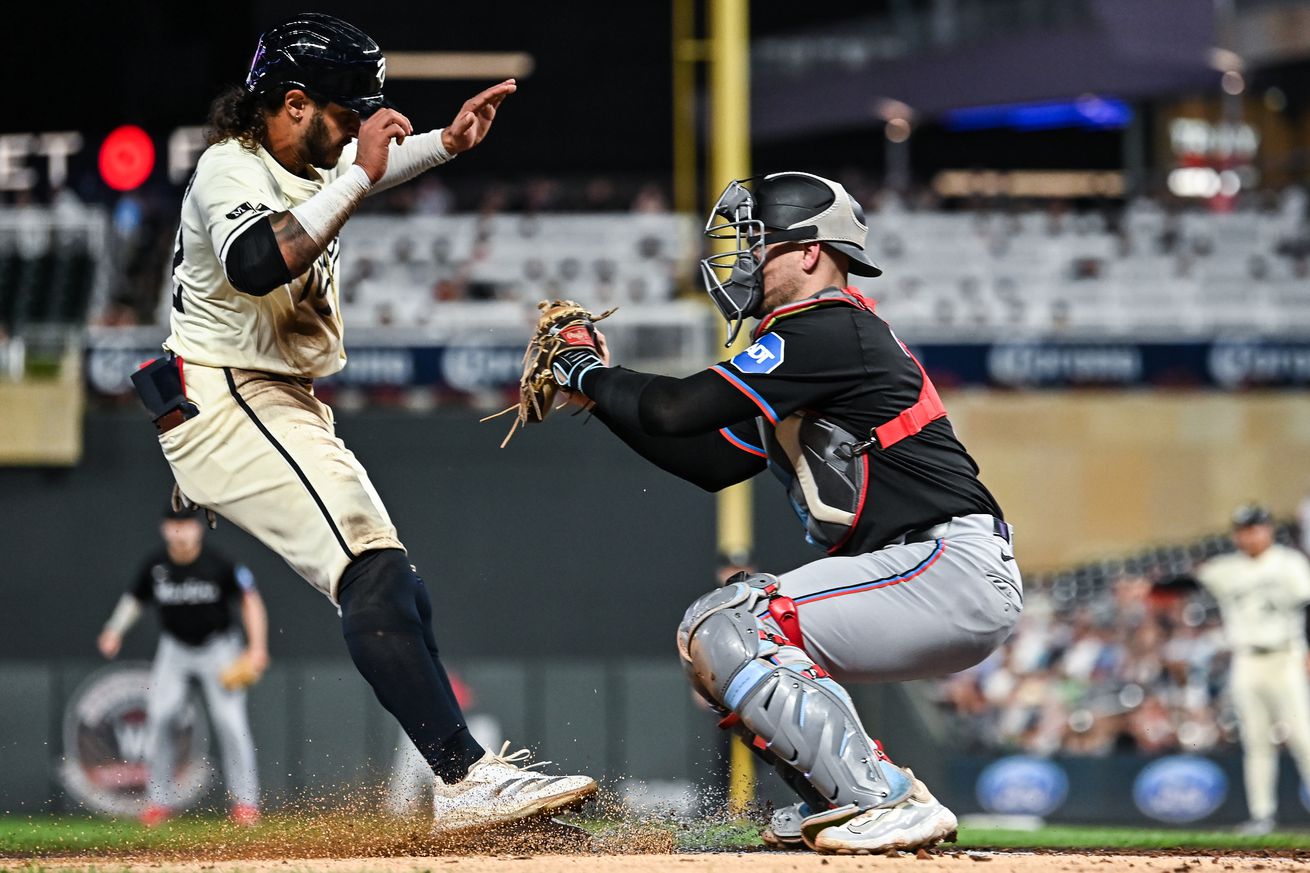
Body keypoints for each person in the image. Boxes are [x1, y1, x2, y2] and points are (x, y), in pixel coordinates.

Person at [132, 13, 593, 833]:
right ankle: (464, 781)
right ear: (295, 102)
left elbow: (356, 173)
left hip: (265, 395)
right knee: (371, 574)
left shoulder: (297, 154)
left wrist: (447, 143)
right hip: (228, 396)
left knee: (396, 587)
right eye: (344, 114)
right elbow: (254, 261)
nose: (354, 132)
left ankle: (470, 784)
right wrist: (359, 174)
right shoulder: (224, 170)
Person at [549, 171, 1022, 853]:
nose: (742, 258)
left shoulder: (827, 327)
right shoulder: (811, 343)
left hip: (947, 565)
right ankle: (843, 801)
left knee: (733, 622)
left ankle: (878, 797)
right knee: (714, 641)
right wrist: (598, 397)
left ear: (809, 252)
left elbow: (674, 407)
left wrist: (583, 370)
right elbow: (708, 460)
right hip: (926, 566)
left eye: (759, 242)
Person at [97, 504, 268, 826]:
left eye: (186, 525)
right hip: (175, 649)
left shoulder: (218, 564)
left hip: (219, 647)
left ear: (197, 529)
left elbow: (250, 600)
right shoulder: (156, 566)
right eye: (174, 525)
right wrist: (114, 629)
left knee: (230, 721)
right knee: (161, 717)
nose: (180, 531)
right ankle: (159, 802)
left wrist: (257, 647)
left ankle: (246, 804)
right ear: (165, 529)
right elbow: (135, 598)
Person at [1194, 504, 1310, 835]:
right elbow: (1188, 582)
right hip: (1246, 659)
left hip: (1285, 654)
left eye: (1256, 527)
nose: (1250, 534)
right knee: (1256, 741)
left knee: (1303, 737)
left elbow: (1308, 605)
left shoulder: (1289, 563)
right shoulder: (1227, 568)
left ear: (1268, 529)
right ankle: (1262, 816)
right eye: (1244, 529)